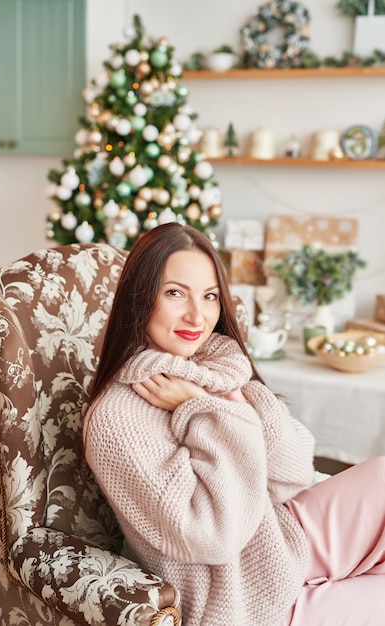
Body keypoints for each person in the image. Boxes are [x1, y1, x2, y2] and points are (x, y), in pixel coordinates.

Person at [83, 222, 385, 626]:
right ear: (140, 298)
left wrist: (228, 401)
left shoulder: (215, 369)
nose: (198, 315)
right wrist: (208, 412)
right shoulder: (116, 418)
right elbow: (212, 536)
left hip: (281, 533)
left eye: (209, 296)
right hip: (240, 590)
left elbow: (292, 474)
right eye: (175, 293)